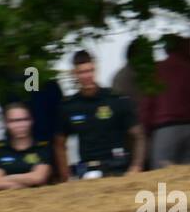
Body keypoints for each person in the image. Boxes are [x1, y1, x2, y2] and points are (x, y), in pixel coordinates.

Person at [54, 50, 145, 181]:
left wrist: (136, 167)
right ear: (74, 74)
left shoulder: (115, 100)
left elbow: (138, 135)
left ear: (96, 70)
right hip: (89, 172)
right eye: (82, 72)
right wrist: (66, 177)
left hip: (119, 168)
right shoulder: (69, 107)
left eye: (90, 71)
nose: (87, 76)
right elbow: (59, 144)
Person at [140, 34, 190, 167]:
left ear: (165, 49)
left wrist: (146, 130)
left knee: (163, 177)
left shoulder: (156, 70)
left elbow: (147, 105)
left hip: (165, 130)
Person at [0, 103, 52, 190]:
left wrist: (7, 178)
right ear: (6, 124)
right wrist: (24, 185)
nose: (20, 125)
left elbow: (39, 178)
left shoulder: (42, 147)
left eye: (24, 120)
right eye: (13, 121)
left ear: (31, 121)